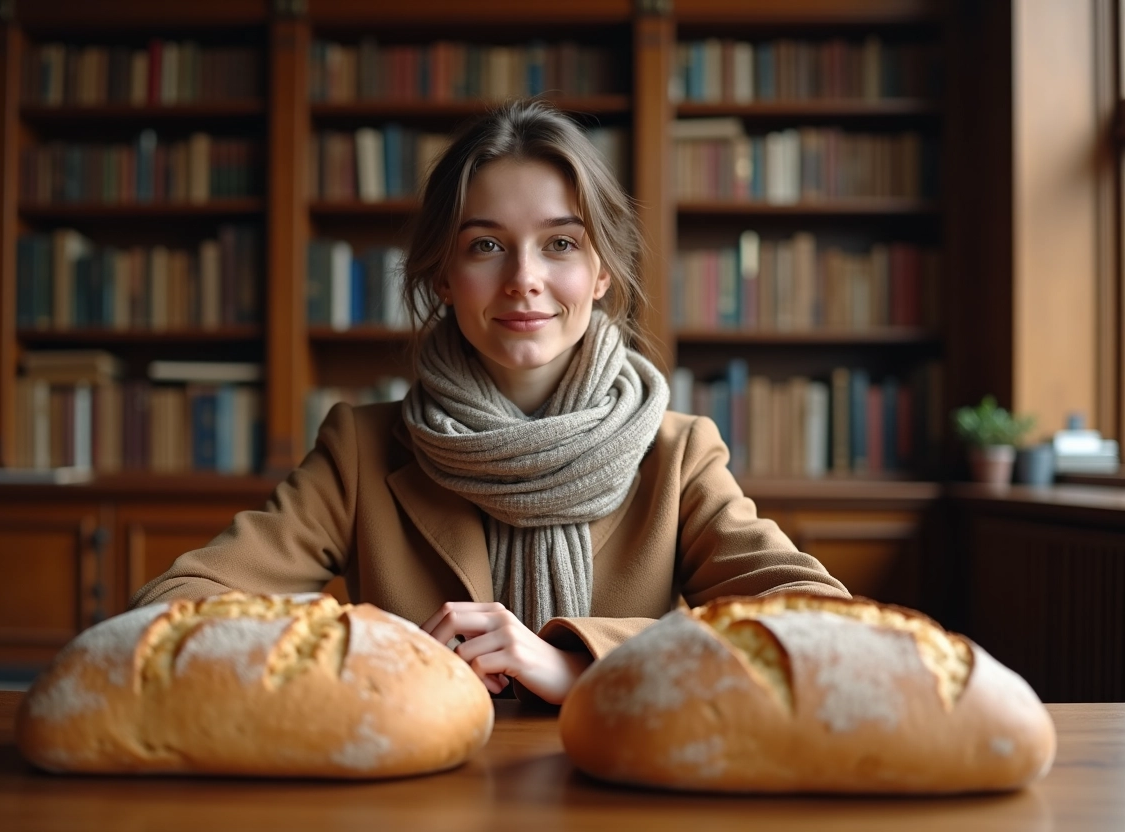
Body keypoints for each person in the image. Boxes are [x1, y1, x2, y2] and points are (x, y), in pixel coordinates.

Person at [131, 99, 849, 705]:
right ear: (443, 275)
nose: (524, 279)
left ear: (601, 272)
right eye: (484, 247)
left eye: (561, 243)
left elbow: (827, 629)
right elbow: (168, 609)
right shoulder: (360, 448)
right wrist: (383, 652)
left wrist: (575, 662)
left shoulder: (679, 454)